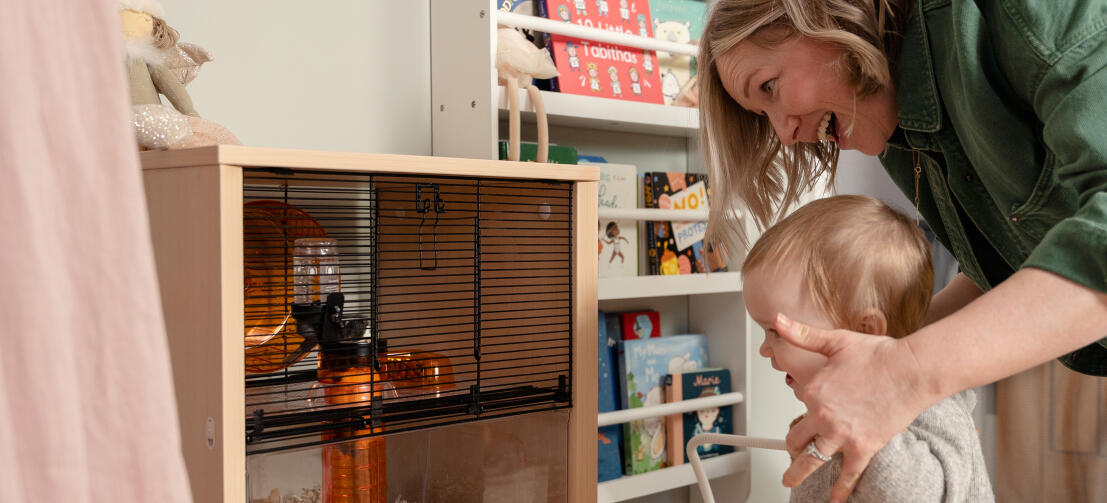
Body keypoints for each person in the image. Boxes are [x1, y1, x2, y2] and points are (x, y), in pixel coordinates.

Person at [696, 1, 1107, 501]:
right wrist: (892, 351)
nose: (784, 132)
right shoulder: (892, 128)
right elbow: (1004, 262)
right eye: (763, 114)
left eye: (768, 87)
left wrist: (904, 371)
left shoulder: (1014, 19)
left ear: (823, 14)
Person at [744, 195, 993, 502]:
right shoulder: (831, 414)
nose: (764, 350)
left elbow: (919, 495)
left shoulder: (932, 406)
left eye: (775, 332)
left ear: (865, 331)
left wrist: (873, 440)